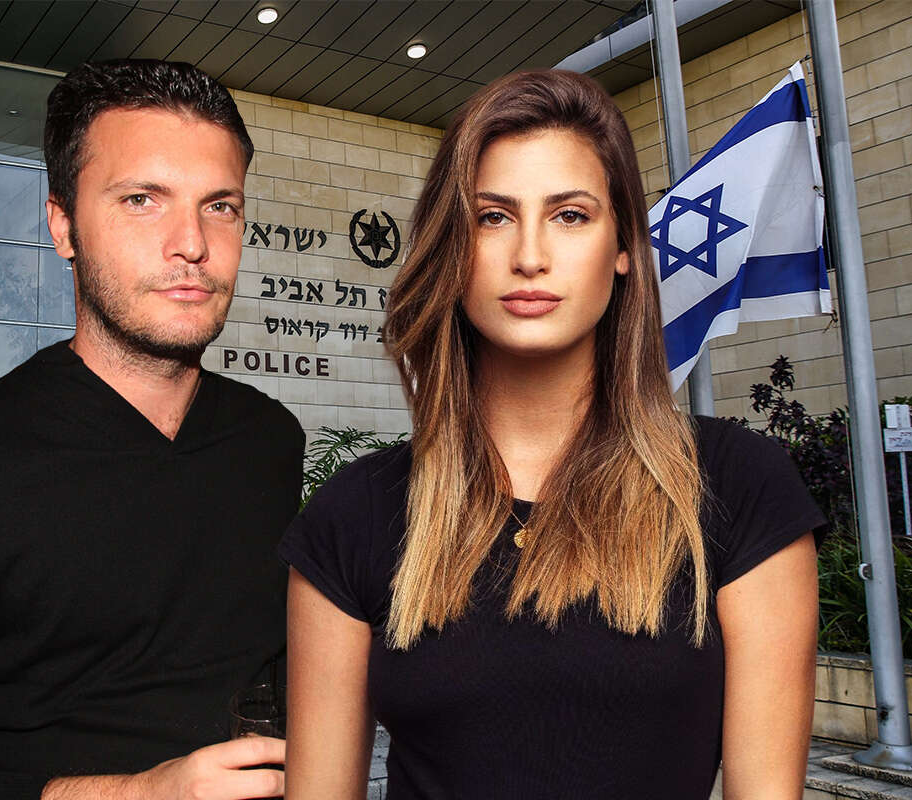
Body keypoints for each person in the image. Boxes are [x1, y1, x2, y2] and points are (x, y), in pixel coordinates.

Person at [280, 69, 825, 799]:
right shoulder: (355, 513)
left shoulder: (740, 486)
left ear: (623, 245)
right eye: (492, 217)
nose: (529, 255)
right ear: (451, 247)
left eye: (570, 215)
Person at [0, 59, 302, 800]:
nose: (191, 243)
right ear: (63, 225)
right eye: (142, 200)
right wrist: (135, 795)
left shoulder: (269, 441)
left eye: (220, 206)